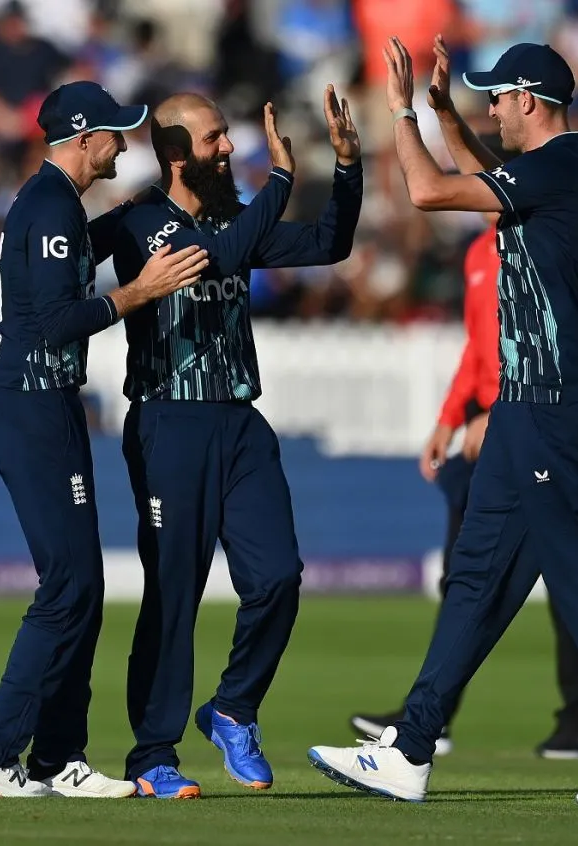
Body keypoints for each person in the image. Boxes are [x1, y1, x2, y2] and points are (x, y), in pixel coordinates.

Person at [307, 38, 578, 805]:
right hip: (533, 396)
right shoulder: (572, 165)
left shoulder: (554, 171)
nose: (491, 109)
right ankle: (411, 747)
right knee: (478, 579)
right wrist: (444, 110)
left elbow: (428, 190)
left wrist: (399, 110)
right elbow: (483, 169)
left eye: (497, 98)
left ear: (530, 99)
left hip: (556, 395)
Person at [0, 80, 212, 799]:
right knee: (71, 586)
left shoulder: (54, 205)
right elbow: (58, 322)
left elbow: (61, 268)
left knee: (80, 588)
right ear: (83, 137)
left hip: (37, 403)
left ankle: (56, 758)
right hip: (32, 404)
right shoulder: (50, 206)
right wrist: (141, 290)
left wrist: (125, 218)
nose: (124, 145)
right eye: (115, 135)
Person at [107, 86, 363, 799]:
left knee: (278, 577)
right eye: (216, 137)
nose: (229, 148)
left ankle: (232, 708)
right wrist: (280, 180)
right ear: (178, 152)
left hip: (240, 423)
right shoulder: (142, 225)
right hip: (170, 423)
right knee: (175, 594)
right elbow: (215, 259)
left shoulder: (232, 217)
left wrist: (345, 170)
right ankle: (152, 755)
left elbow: (327, 243)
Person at [349, 219, 578, 761]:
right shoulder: (477, 252)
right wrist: (448, 418)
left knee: (567, 574)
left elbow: (552, 339)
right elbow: (478, 346)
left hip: (531, 418)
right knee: (465, 574)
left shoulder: (542, 240)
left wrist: (501, 411)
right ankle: (431, 718)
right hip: (484, 426)